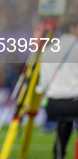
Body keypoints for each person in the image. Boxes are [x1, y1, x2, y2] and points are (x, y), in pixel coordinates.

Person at [36, 14, 78, 159]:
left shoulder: (48, 50)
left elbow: (44, 83)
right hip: (74, 102)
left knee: (63, 125)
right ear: (73, 28)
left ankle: (58, 154)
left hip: (53, 105)